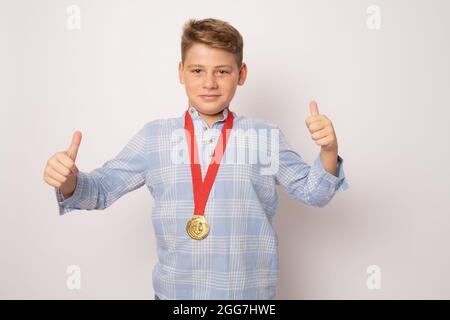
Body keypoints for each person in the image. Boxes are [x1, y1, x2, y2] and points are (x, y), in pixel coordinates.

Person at [43, 18, 349, 300]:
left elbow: (314, 192)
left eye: (222, 71)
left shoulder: (264, 136)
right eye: (197, 70)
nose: (209, 83)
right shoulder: (154, 138)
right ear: (181, 73)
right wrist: (69, 180)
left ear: (241, 75)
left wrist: (328, 151)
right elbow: (99, 191)